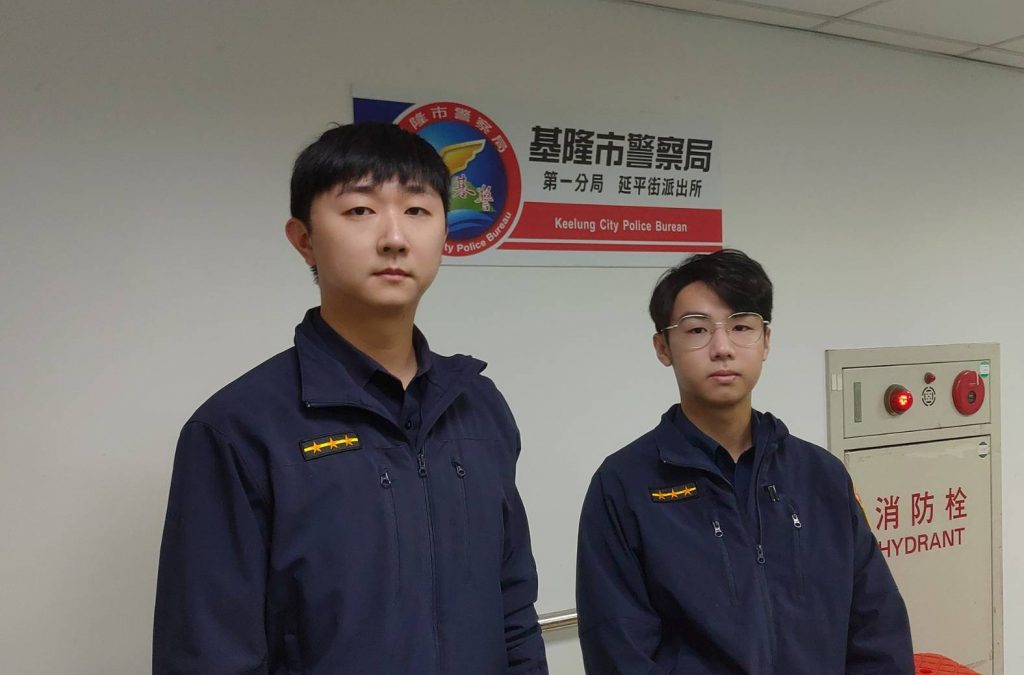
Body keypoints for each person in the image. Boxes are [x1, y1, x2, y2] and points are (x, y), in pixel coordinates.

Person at [153, 121, 547, 674]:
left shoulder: (477, 406)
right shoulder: (239, 428)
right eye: (360, 210)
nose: (395, 237)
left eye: (418, 210)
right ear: (304, 239)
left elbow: (513, 607)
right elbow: (209, 652)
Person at [576, 249, 913, 674]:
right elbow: (618, 651)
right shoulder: (624, 486)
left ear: (766, 340)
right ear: (663, 347)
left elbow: (877, 629)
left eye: (741, 326)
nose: (722, 348)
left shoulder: (820, 476)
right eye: (697, 329)